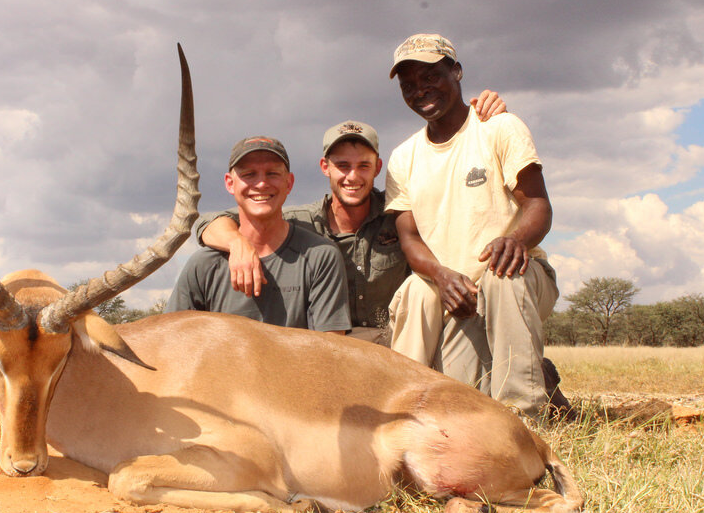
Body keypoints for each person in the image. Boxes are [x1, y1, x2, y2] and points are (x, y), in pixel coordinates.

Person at [194, 94, 504, 344]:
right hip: (334, 340)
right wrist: (237, 243)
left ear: (378, 167)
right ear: (324, 167)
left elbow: (456, 210)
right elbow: (211, 222)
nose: (352, 176)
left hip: (399, 339)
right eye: (342, 165)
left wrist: (471, 119)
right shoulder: (298, 221)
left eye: (363, 166)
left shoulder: (400, 213)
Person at [384, 33, 559, 419]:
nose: (420, 90)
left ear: (457, 72)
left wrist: (514, 240)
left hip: (516, 280)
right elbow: (409, 238)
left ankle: (525, 419)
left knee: (502, 274)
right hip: (457, 296)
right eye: (409, 85)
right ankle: (399, 416)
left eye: (431, 77)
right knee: (464, 408)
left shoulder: (499, 127)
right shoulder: (403, 157)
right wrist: (443, 277)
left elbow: (538, 206)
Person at [166, 136, 351, 334]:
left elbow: (330, 349)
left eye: (272, 174)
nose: (261, 184)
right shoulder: (203, 265)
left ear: (289, 183)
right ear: (230, 183)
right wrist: (238, 243)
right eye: (249, 174)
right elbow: (171, 339)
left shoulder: (321, 256)